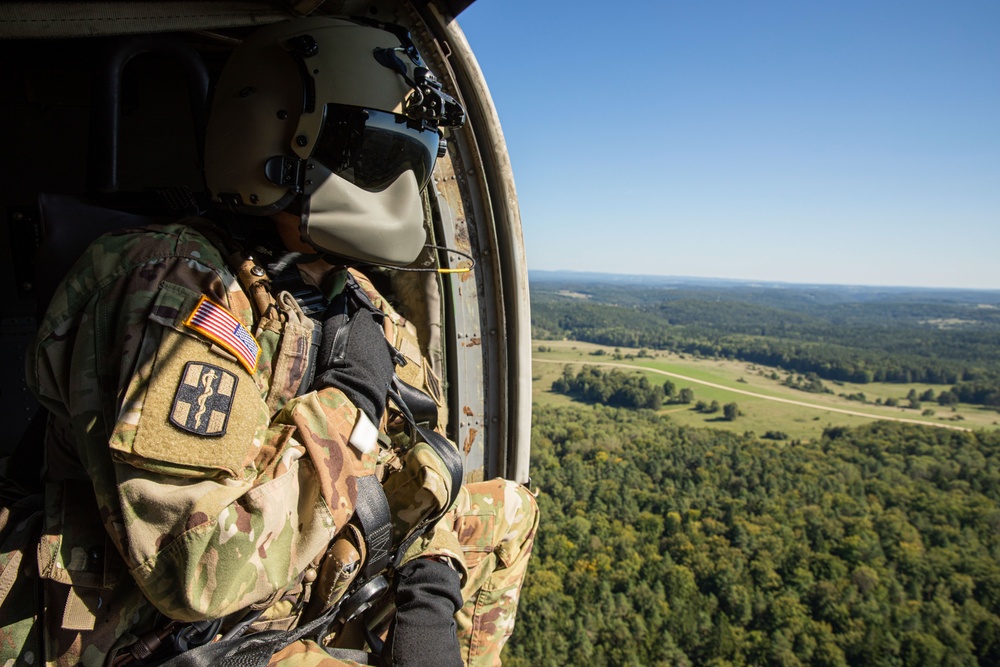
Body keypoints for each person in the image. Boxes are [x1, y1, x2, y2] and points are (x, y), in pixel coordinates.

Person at [20, 16, 537, 667]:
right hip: (164, 633)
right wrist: (347, 407)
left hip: (299, 576)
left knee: (509, 512)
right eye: (373, 159)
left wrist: (432, 586)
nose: (393, 188)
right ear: (273, 143)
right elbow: (196, 572)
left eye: (405, 162)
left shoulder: (348, 293)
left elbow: (417, 458)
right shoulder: (174, 283)